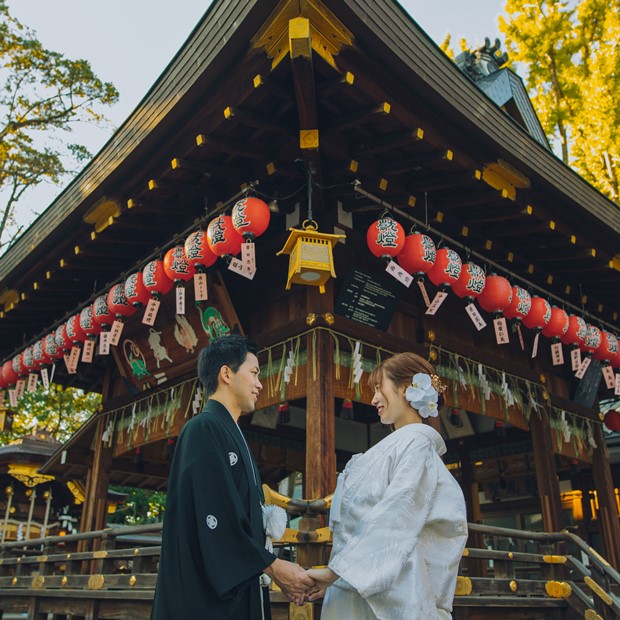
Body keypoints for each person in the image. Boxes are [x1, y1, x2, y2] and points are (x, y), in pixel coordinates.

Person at [151, 335, 314, 620]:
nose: (260, 384)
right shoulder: (202, 428)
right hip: (204, 597)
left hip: (240, 585)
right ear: (226, 373)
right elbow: (214, 517)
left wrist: (268, 566)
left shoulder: (229, 431)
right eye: (254, 373)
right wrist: (273, 566)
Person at [307, 352, 468, 619]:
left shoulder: (416, 444)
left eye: (379, 388)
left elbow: (396, 516)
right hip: (356, 584)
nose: (373, 399)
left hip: (391, 590)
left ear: (407, 389)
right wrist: (340, 576)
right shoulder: (401, 446)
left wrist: (336, 573)